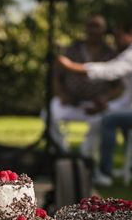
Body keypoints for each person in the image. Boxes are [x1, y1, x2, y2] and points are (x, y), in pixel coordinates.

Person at [57, 21, 132, 187]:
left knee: (110, 121)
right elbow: (131, 97)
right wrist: (107, 106)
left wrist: (72, 66)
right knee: (122, 119)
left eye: (119, 36)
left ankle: (104, 174)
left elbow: (110, 71)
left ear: (131, 34)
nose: (116, 41)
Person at [50, 15, 125, 155]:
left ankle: (85, 157)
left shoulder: (111, 54)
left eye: (97, 27)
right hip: (71, 101)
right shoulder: (72, 49)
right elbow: (57, 76)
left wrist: (105, 98)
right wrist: (62, 94)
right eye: (91, 26)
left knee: (101, 120)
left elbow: (119, 86)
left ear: (103, 30)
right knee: (49, 111)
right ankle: (62, 152)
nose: (93, 30)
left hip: (95, 104)